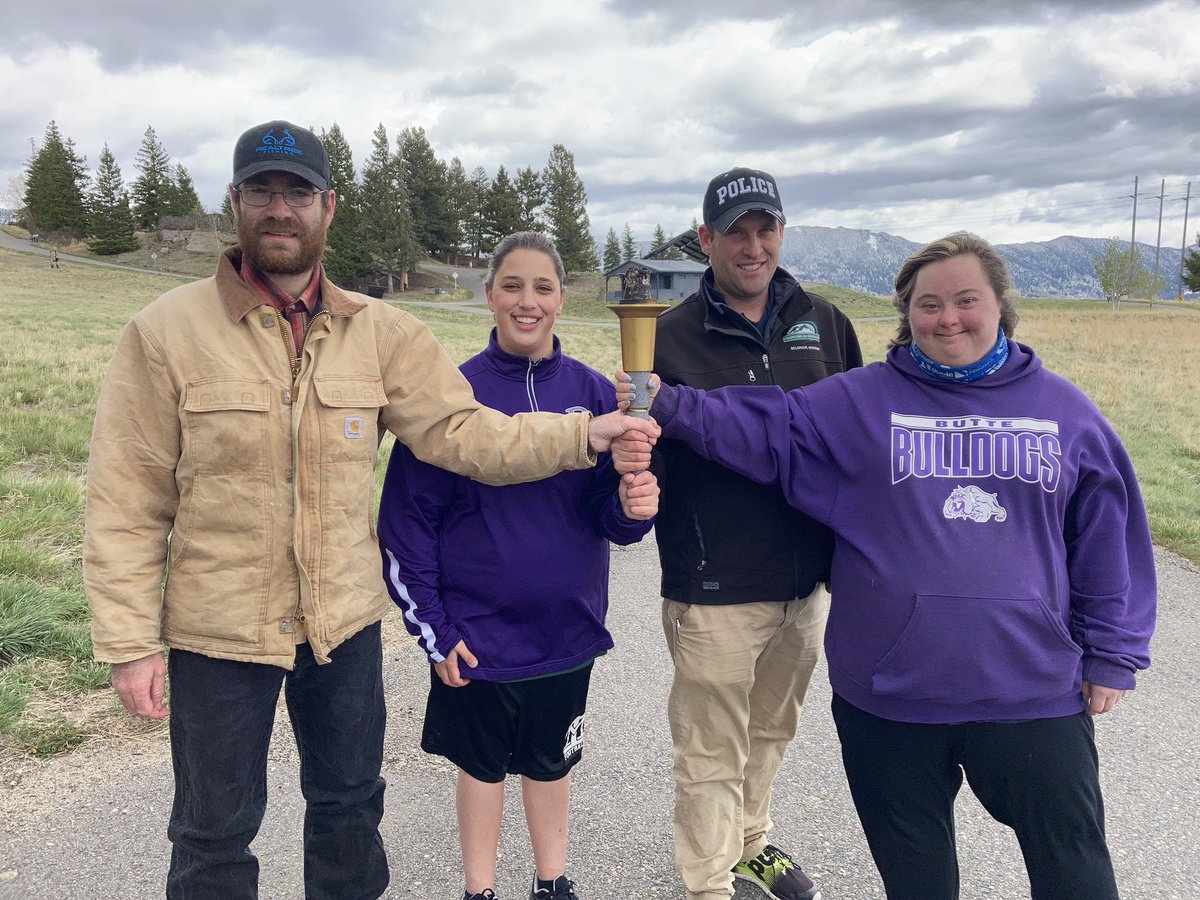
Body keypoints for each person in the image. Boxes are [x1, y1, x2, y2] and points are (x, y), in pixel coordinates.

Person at [82, 121, 656, 900]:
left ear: (329, 208)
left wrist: (585, 433)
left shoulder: (382, 333)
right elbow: (126, 496)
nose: (280, 209)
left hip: (342, 627)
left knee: (350, 812)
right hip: (216, 632)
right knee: (213, 835)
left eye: (299, 194)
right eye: (262, 191)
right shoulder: (164, 333)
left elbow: (465, 433)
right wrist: (127, 642)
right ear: (235, 203)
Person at [617, 231, 1156, 899]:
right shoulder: (862, 401)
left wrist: (1114, 655)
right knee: (918, 879)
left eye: (966, 300)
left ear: (999, 305)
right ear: (908, 313)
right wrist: (662, 400)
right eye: (929, 304)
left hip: (1033, 695)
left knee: (1074, 871)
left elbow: (1109, 539)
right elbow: (763, 426)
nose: (948, 318)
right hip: (892, 700)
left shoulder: (1065, 412)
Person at [377, 231, 658, 900]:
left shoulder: (594, 393)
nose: (527, 301)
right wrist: (434, 630)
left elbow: (610, 519)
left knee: (551, 763)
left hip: (565, 632)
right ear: (489, 295)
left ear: (562, 299)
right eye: (512, 286)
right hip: (476, 638)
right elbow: (406, 526)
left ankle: (552, 882)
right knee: (480, 771)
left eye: (542, 287)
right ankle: (479, 889)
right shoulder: (453, 395)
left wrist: (634, 503)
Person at [649, 167, 861, 900]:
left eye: (765, 227)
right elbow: (641, 460)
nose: (752, 245)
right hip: (713, 588)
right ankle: (708, 884)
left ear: (781, 231)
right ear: (705, 238)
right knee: (710, 750)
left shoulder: (827, 323)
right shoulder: (665, 339)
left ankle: (750, 844)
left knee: (771, 734)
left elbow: (857, 445)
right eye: (735, 231)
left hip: (803, 587)